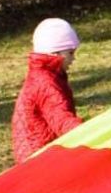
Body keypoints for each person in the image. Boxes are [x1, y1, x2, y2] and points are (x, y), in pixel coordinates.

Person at [13, 18, 84, 164]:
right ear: (55, 53)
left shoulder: (48, 75)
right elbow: (61, 119)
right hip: (39, 159)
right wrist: (91, 132)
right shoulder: (45, 83)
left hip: (41, 151)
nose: (73, 58)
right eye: (70, 53)